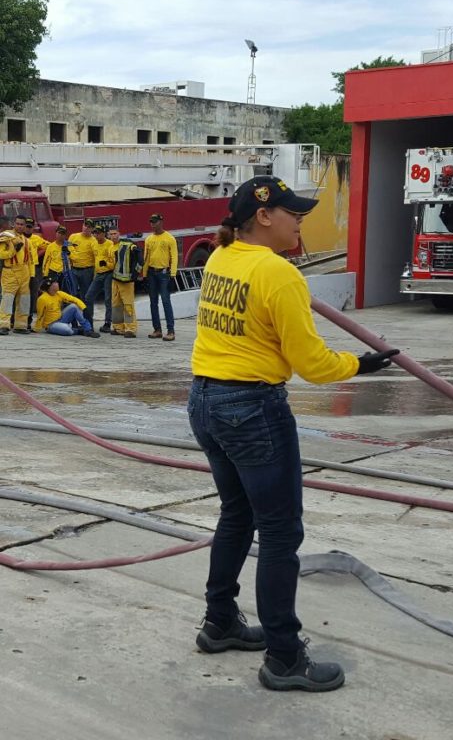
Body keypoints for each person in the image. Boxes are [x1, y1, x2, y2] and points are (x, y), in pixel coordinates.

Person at [187, 175, 398, 692]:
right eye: (293, 213)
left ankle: (219, 624)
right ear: (263, 216)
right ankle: (284, 657)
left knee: (237, 513)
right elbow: (314, 365)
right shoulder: (278, 274)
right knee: (280, 532)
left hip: (205, 401)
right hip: (253, 408)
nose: (300, 220)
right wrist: (363, 364)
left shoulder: (222, 258)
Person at [142, 213, 178, 341]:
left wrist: (173, 275)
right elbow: (146, 258)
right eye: (151, 222)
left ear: (161, 222)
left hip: (164, 273)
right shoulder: (148, 239)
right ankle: (157, 329)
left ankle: (171, 330)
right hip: (151, 273)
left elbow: (174, 257)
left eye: (155, 222)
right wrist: (144, 275)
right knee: (153, 302)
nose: (153, 224)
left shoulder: (169, 238)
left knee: (166, 301)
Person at [0, 214, 34, 335]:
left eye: (22, 224)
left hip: (24, 272)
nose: (19, 226)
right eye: (18, 224)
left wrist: (31, 274)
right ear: (14, 224)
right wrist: (14, 250)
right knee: (7, 299)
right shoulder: (7, 236)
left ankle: (21, 325)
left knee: (24, 299)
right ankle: (3, 325)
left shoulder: (26, 240)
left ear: (25, 226)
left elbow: (30, 259)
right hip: (10, 271)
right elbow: (1, 255)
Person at [34, 277, 100, 337]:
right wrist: (37, 328)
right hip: (51, 325)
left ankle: (88, 330)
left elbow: (74, 299)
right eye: (54, 283)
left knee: (74, 307)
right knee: (67, 330)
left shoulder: (59, 293)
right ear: (50, 287)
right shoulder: (42, 299)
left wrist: (84, 308)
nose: (57, 284)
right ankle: (78, 330)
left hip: (61, 318)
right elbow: (40, 314)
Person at [110, 233, 142, 338]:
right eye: (111, 234)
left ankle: (130, 329)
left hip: (126, 281)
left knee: (127, 305)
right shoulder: (117, 246)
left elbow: (141, 261)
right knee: (116, 305)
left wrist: (134, 275)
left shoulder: (131, 247)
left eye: (114, 234)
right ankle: (118, 328)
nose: (113, 236)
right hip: (117, 280)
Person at [84, 224, 115, 332]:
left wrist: (106, 263)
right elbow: (94, 260)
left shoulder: (110, 244)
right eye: (95, 233)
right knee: (88, 297)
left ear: (103, 234)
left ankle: (107, 322)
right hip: (98, 274)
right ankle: (88, 320)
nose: (96, 235)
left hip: (108, 273)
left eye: (98, 233)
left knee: (108, 299)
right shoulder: (94, 244)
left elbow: (114, 263)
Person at [22, 217, 49, 330]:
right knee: (20, 295)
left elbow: (50, 246)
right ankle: (15, 319)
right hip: (21, 269)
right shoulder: (18, 238)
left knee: (33, 295)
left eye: (29, 226)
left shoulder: (37, 239)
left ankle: (28, 320)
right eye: (26, 226)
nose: (27, 229)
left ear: (33, 228)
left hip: (34, 270)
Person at [68, 218, 97, 302]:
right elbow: (68, 247)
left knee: (85, 294)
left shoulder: (94, 241)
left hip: (87, 271)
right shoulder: (73, 236)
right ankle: (73, 311)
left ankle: (85, 313)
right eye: (85, 225)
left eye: (89, 227)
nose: (86, 228)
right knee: (72, 291)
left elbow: (96, 257)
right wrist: (74, 256)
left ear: (92, 229)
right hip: (73, 269)